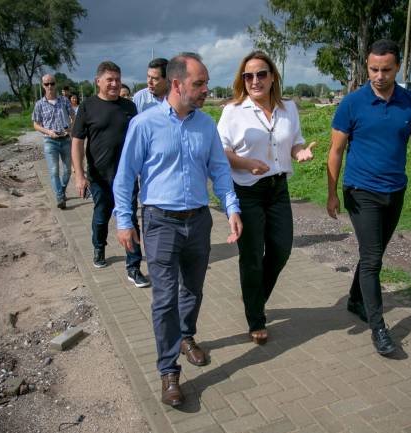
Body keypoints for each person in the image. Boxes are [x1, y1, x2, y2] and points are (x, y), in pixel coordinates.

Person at [113, 53, 242, 407]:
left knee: (193, 290)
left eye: (206, 83)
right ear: (176, 84)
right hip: (159, 222)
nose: (205, 90)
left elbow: (219, 171)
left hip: (199, 221)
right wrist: (124, 221)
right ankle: (169, 371)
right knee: (165, 298)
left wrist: (232, 208)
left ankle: (187, 337)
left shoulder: (206, 125)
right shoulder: (144, 124)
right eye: (199, 84)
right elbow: (124, 178)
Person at [326, 39, 411, 356]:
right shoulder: (352, 103)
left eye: (386, 69)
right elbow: (335, 151)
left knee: (374, 253)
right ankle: (379, 328)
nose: (379, 75)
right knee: (372, 260)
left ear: (397, 67)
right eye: (373, 69)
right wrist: (332, 194)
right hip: (361, 191)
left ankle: (356, 299)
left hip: (395, 191)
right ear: (367, 67)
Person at [217, 51, 314, 345]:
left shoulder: (289, 108)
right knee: (252, 258)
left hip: (278, 189)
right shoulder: (233, 111)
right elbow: (220, 152)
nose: (255, 81)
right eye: (248, 76)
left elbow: (294, 142)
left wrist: (301, 152)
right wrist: (247, 164)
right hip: (247, 191)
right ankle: (256, 317)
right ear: (242, 80)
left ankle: (255, 298)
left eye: (261, 74)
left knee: (281, 249)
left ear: (273, 77)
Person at [71, 61, 150, 288]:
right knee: (101, 215)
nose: (115, 84)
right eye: (110, 80)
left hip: (126, 177)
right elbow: (77, 143)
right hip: (99, 175)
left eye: (118, 79)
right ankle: (99, 246)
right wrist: (79, 174)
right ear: (98, 82)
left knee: (130, 219)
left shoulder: (129, 107)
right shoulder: (87, 107)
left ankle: (133, 267)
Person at [32, 73, 74, 209]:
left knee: (67, 170)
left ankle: (60, 190)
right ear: (43, 86)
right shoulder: (39, 104)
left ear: (56, 84)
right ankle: (60, 197)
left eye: (52, 83)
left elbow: (73, 115)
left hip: (66, 140)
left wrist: (71, 128)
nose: (50, 86)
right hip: (50, 141)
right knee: (54, 170)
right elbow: (36, 124)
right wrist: (48, 132)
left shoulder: (64, 101)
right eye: (46, 84)